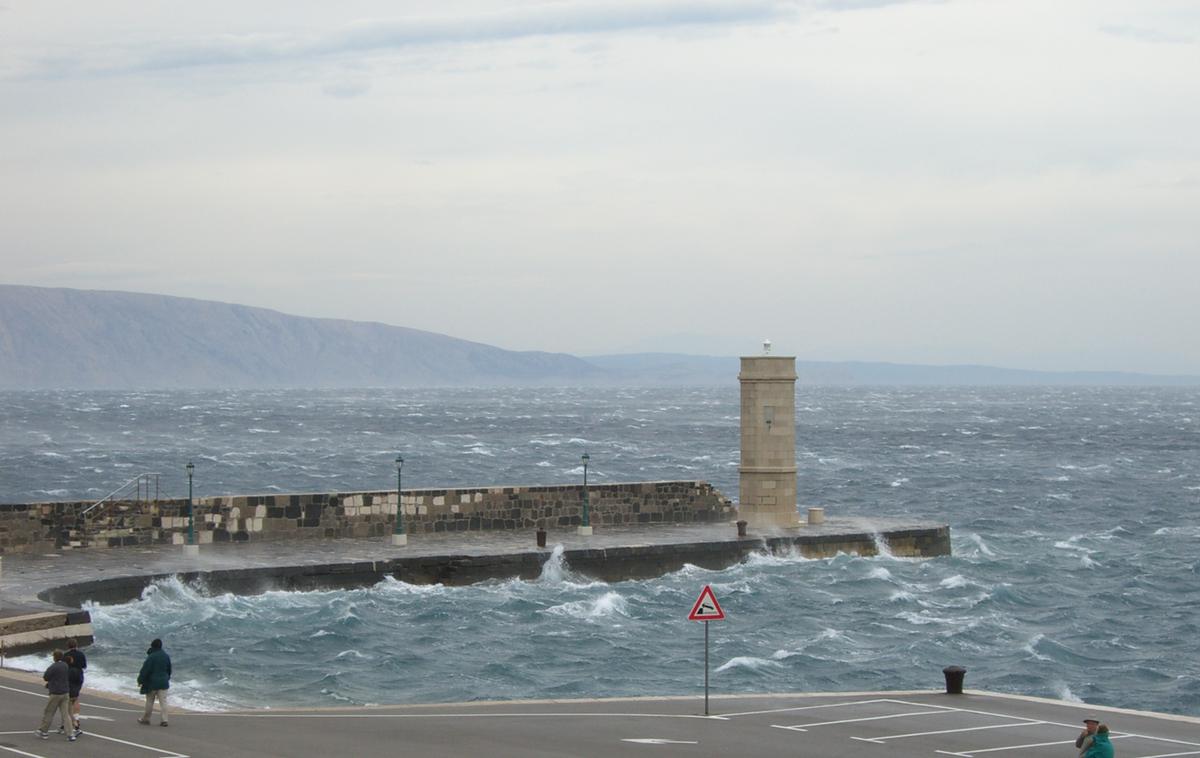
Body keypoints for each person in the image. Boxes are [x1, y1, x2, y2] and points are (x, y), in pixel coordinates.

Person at [36, 650, 76, 741]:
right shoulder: (65, 665)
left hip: (55, 693)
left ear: (54, 657)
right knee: (65, 714)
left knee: (49, 712)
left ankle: (44, 731)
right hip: (65, 692)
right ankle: (70, 734)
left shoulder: (53, 667)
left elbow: (46, 677)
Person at [137, 638, 172, 726]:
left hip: (151, 683)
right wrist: (167, 678)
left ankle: (146, 719)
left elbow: (145, 670)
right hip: (163, 682)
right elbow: (169, 670)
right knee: (163, 702)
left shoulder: (151, 657)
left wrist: (140, 680)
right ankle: (164, 720)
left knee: (149, 701)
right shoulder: (166, 656)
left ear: (152, 646)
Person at [63, 637, 87, 736]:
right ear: (77, 645)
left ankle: (70, 722)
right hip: (79, 677)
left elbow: (64, 666)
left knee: (68, 700)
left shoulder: (66, 655)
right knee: (76, 698)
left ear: (68, 646)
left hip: (69, 677)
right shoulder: (81, 654)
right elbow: (84, 666)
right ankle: (76, 718)